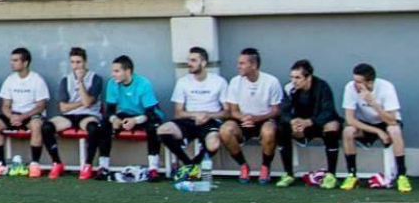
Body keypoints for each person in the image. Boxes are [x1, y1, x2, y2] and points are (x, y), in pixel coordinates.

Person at [218, 47, 283, 185]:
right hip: (243, 120)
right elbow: (233, 110)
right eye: (238, 63)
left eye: (242, 63)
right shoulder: (235, 82)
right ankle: (243, 166)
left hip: (264, 119)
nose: (238, 66)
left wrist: (256, 118)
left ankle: (265, 167)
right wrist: (243, 118)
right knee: (225, 130)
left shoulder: (271, 81)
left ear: (253, 65)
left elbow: (276, 110)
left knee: (269, 131)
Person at [343, 62, 411, 192]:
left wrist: (373, 103)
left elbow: (392, 121)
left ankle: (402, 176)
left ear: (369, 82)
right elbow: (350, 119)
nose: (354, 84)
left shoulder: (386, 87)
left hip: (386, 121)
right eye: (354, 80)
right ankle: (352, 175)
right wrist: (378, 131)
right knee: (348, 131)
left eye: (358, 82)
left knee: (395, 131)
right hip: (366, 124)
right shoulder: (350, 88)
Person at [101, 53, 170, 181]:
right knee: (104, 123)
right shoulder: (112, 83)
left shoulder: (143, 84)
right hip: (126, 114)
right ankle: (103, 167)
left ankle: (153, 169)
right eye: (113, 71)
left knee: (153, 126)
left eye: (117, 71)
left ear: (127, 71)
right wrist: (114, 119)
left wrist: (135, 121)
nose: (113, 74)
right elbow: (109, 110)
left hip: (146, 114)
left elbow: (150, 112)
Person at [278, 59, 342, 188]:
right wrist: (292, 121)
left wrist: (310, 121)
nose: (294, 81)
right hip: (302, 126)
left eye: (298, 77)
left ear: (308, 78)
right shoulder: (289, 88)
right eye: (292, 77)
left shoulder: (323, 87)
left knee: (332, 126)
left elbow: (328, 111)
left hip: (319, 123)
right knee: (281, 128)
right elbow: (283, 111)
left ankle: (331, 175)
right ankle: (289, 174)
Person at [0, 46, 52, 177]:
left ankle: (34, 164)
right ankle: (1, 165)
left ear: (25, 62)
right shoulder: (10, 80)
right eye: (12, 60)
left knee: (36, 125)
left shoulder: (37, 80)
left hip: (30, 115)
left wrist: (23, 117)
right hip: (14, 115)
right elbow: (5, 105)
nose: (12, 63)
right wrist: (11, 116)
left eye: (16, 60)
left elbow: (40, 106)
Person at [170, 45, 227, 181]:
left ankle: (192, 165)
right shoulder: (182, 82)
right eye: (189, 60)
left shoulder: (219, 82)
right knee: (163, 130)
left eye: (193, 60)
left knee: (213, 144)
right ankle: (190, 165)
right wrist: (195, 115)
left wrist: (208, 115)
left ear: (204, 63)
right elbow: (178, 112)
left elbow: (227, 112)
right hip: (189, 120)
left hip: (211, 120)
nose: (189, 64)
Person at [49, 46, 107, 179]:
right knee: (47, 127)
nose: (75, 66)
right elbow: (63, 108)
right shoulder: (66, 80)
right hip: (70, 116)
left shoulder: (95, 79)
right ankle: (57, 163)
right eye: (73, 62)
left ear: (85, 62)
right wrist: (80, 103)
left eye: (78, 62)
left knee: (93, 128)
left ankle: (88, 165)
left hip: (89, 114)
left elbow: (88, 103)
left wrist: (80, 81)